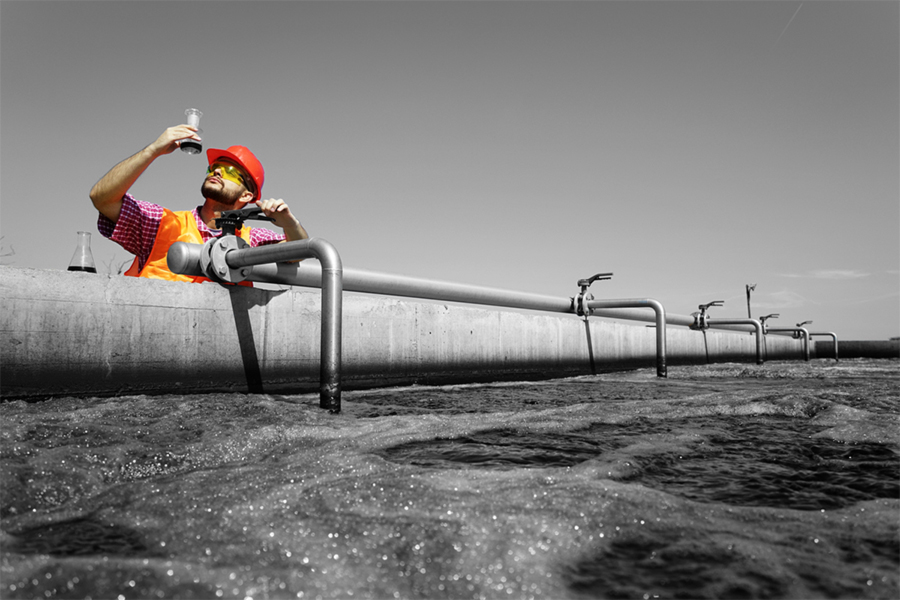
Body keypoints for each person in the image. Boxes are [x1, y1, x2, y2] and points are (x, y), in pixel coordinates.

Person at [90, 123, 308, 283]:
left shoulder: (251, 240)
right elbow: (102, 198)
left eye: (231, 172)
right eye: (213, 168)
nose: (218, 171)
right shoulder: (162, 223)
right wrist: (153, 150)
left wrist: (289, 223)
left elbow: (298, 251)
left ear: (246, 196)